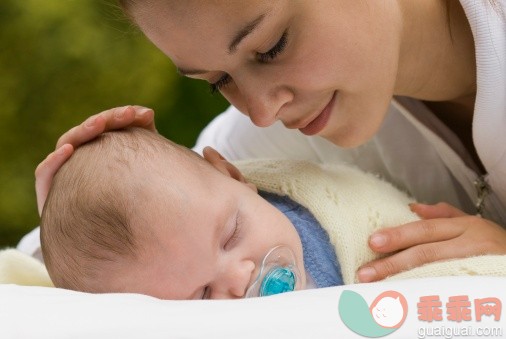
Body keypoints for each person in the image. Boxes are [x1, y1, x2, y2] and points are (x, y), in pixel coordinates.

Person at [33, 1, 506, 284]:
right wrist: (68, 209)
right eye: (218, 81)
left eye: (272, 47)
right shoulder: (263, 149)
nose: (262, 110)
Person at [40, 127, 418, 298]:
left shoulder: (337, 221)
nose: (240, 279)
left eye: (232, 234)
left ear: (234, 175)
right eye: (203, 295)